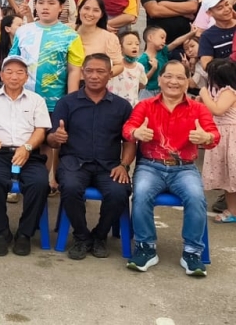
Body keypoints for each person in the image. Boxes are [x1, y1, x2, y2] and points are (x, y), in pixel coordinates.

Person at [123, 60, 219, 275]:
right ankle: (145, 247)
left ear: (187, 82)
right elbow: (128, 127)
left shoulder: (198, 109)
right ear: (160, 79)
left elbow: (214, 135)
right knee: (140, 194)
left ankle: (192, 251)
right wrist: (136, 133)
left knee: (196, 198)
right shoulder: (145, 105)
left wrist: (206, 137)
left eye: (179, 77)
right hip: (150, 165)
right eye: (168, 76)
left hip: (184, 168)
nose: (173, 81)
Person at [49, 54, 135, 260]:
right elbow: (51, 141)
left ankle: (99, 235)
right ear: (82, 73)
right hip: (74, 162)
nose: (94, 76)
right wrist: (56, 137)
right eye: (89, 71)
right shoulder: (67, 103)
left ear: (110, 75)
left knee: (119, 191)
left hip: (109, 165)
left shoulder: (122, 106)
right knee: (69, 187)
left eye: (100, 71)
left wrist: (124, 165)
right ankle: (81, 236)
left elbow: (130, 141)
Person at [0, 55, 52, 256]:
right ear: (1, 75)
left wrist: (26, 147)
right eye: (9, 71)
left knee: (39, 183)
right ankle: (1, 231)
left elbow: (41, 131)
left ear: (26, 77)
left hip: (29, 152)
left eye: (19, 72)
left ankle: (25, 233)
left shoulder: (37, 100)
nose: (14, 76)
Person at [199, 58, 236, 224]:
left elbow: (218, 110)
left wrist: (204, 94)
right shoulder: (222, 91)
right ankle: (232, 210)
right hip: (223, 136)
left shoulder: (229, 91)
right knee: (228, 179)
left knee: (233, 174)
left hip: (231, 136)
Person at [76, 0, 124, 76]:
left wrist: (101, 76)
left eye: (96, 10)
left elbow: (119, 66)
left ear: (101, 14)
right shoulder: (65, 30)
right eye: (86, 8)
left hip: (92, 85)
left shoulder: (109, 38)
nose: (90, 13)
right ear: (79, 9)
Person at [198, 0, 235, 66]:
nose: (227, 9)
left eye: (227, 4)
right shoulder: (207, 36)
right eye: (220, 8)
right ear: (209, 13)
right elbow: (206, 65)